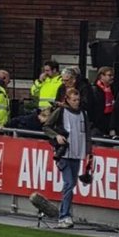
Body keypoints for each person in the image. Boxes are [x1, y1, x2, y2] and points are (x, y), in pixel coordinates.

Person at [43, 86, 92, 229]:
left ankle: (65, 215)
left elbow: (87, 134)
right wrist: (56, 136)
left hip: (77, 153)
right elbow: (47, 126)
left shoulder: (83, 113)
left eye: (78, 99)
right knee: (69, 183)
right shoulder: (61, 111)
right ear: (68, 100)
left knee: (71, 184)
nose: (76, 102)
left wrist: (89, 151)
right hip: (64, 153)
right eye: (74, 100)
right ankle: (64, 215)